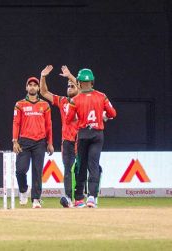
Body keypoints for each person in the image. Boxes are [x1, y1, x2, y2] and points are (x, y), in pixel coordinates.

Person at [66, 68, 117, 208]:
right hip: (97, 134)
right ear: (92, 81)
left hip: (83, 134)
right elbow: (113, 113)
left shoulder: (75, 100)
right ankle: (92, 198)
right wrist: (103, 117)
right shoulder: (102, 96)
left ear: (80, 82)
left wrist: (78, 117)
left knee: (81, 166)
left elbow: (68, 119)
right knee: (93, 165)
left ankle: (78, 198)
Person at [39, 65, 79, 208]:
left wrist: (70, 76)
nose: (69, 87)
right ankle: (68, 198)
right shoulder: (62, 101)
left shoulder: (82, 99)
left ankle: (83, 197)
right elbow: (43, 92)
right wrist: (42, 76)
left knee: (80, 169)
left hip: (81, 139)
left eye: (72, 86)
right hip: (67, 141)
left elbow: (84, 88)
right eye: (68, 85)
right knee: (67, 169)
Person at [12, 77, 54, 209]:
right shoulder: (20, 104)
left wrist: (50, 143)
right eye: (30, 85)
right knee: (20, 170)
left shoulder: (45, 105)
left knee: (37, 171)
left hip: (40, 142)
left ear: (38, 88)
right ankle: (24, 190)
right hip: (24, 141)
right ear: (26, 88)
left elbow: (49, 125)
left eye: (35, 85)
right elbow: (16, 123)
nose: (32, 87)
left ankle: (36, 199)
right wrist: (15, 141)